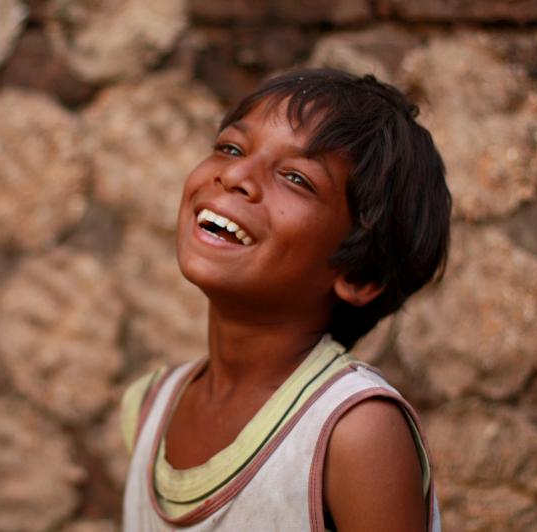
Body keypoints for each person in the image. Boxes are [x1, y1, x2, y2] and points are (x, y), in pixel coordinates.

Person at [120, 68, 451, 531]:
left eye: (296, 178)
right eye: (231, 148)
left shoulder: (352, 431)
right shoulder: (150, 408)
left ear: (359, 272)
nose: (235, 175)